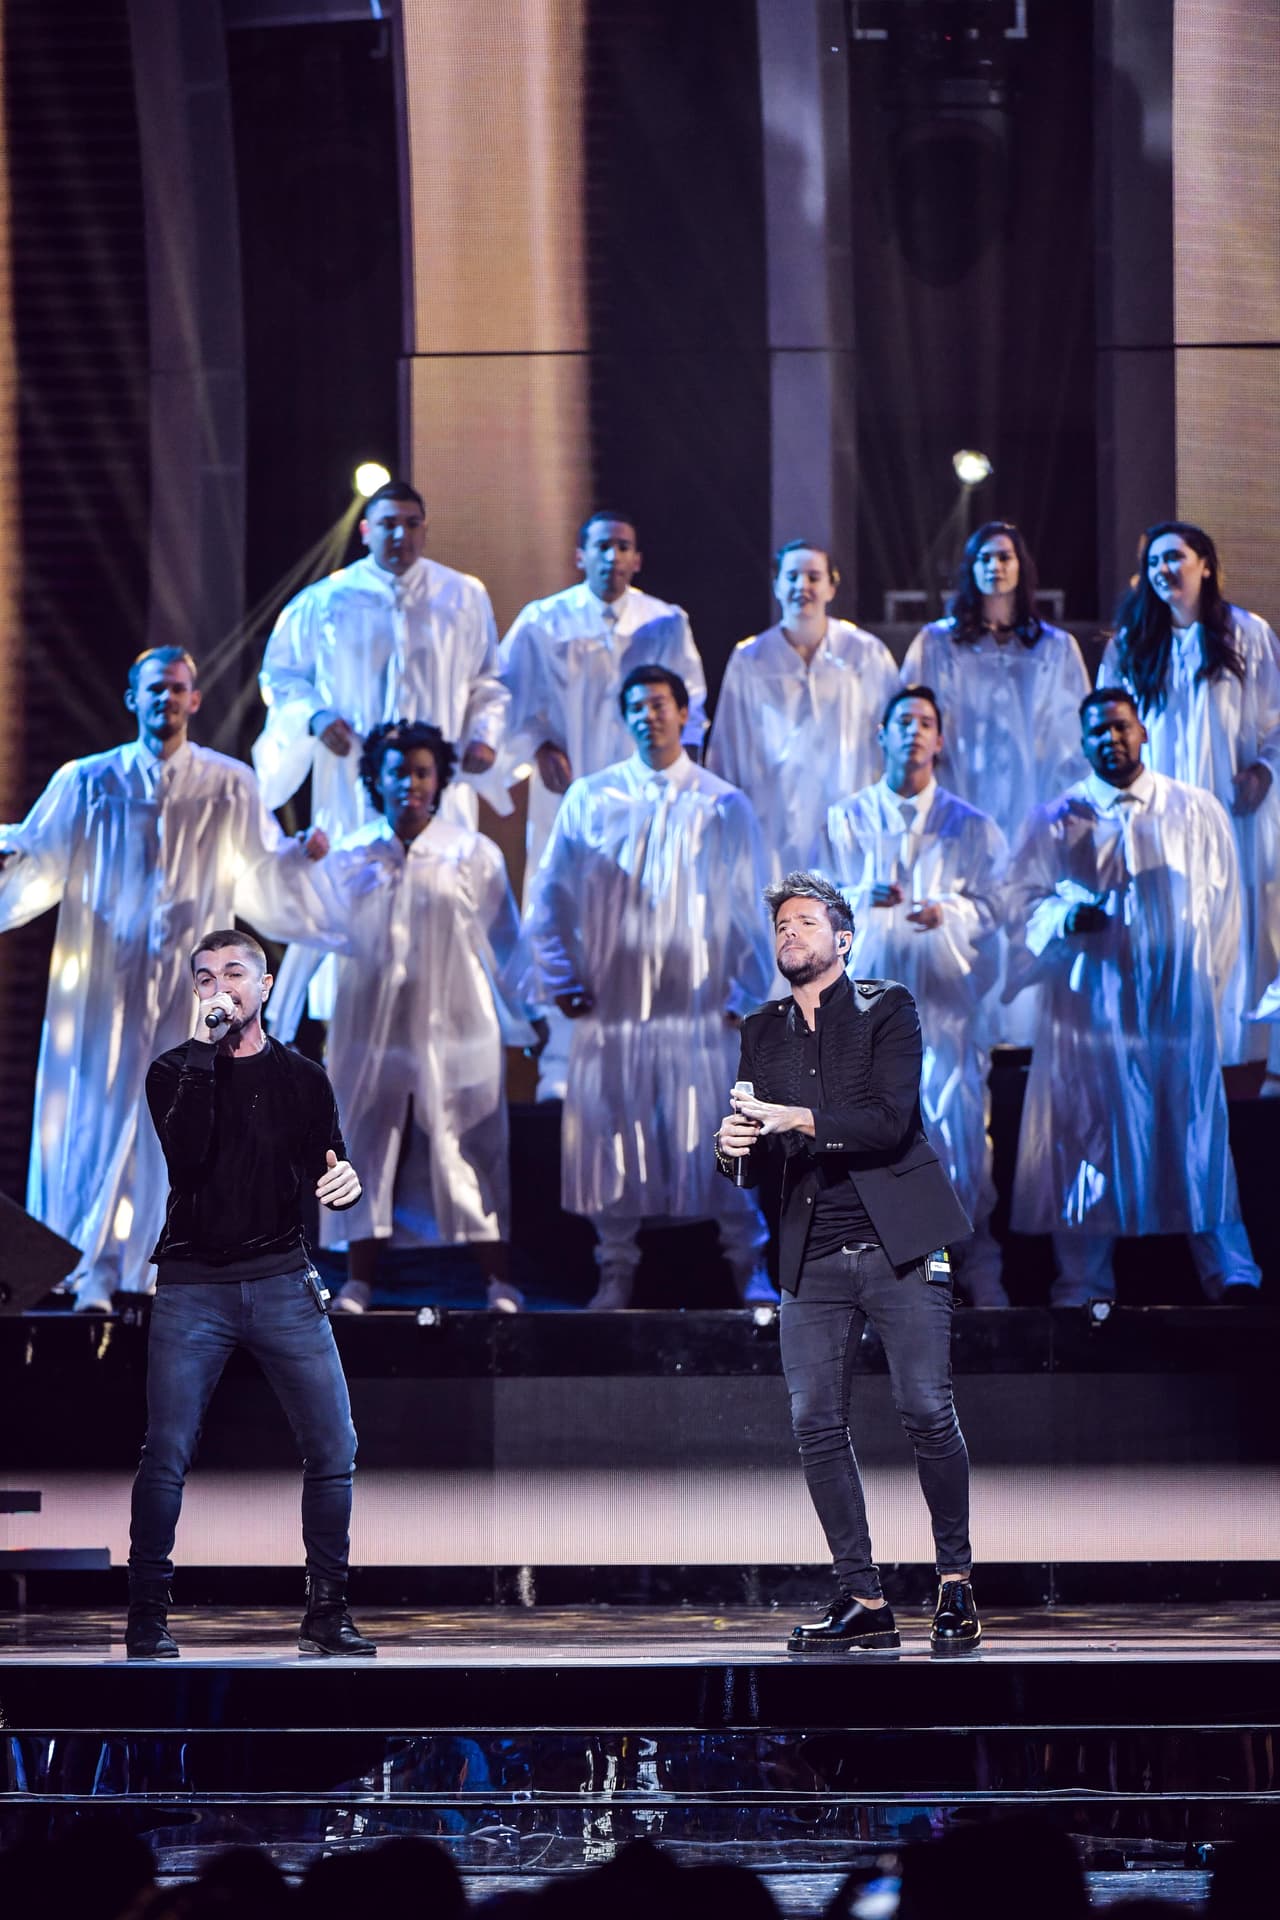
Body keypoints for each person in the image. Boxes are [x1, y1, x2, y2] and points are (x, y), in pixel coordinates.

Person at [0, 647, 330, 1311]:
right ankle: (89, 1264)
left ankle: (161, 1268)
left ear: (194, 700)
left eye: (177, 689)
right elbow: (37, 857)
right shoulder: (89, 780)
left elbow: (262, 872)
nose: (166, 700)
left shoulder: (229, 784)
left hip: (186, 987)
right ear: (133, 698)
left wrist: (302, 860)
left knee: (175, 1118)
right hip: (101, 983)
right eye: (154, 689)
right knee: (95, 1114)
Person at [715, 871, 978, 1655]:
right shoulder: (761, 1031)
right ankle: (861, 1596)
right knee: (813, 1423)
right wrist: (733, 1152)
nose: (790, 933)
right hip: (814, 1251)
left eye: (805, 921)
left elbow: (890, 1122)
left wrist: (795, 1116)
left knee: (928, 1409)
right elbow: (758, 1157)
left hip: (900, 1239)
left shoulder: (887, 1007)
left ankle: (956, 1582)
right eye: (781, 926)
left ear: (843, 937)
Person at [128, 927, 374, 1660]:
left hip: (281, 1281)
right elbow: (188, 1153)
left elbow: (328, 1164)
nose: (219, 987)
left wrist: (346, 1184)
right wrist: (206, 1049)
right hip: (193, 1288)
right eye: (204, 978)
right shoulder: (174, 1072)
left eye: (234, 974)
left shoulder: (304, 1076)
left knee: (334, 1445)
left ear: (264, 987)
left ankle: (327, 1613)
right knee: (166, 1451)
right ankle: (147, 1616)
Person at [527, 664, 775, 1309]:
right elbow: (550, 894)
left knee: (726, 1139)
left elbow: (752, 905)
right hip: (616, 1012)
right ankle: (615, 1269)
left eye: (660, 704)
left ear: (685, 712)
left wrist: (747, 994)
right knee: (612, 1140)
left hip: (699, 1012)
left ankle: (749, 1265)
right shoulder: (592, 798)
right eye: (636, 706)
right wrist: (562, 976)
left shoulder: (722, 803)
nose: (649, 716)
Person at [1004, 688, 1261, 1305]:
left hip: (1176, 1004)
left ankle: (1230, 1274)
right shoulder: (1056, 817)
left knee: (1193, 1128)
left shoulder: (1194, 810)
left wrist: (1210, 994)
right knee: (1087, 1135)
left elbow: (1226, 910)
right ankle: (1082, 1283)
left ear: (1141, 731)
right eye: (1095, 731)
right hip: (1093, 1005)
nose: (1108, 740)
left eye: (1118, 727)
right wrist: (1064, 916)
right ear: (1082, 739)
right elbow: (1018, 902)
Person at [268, 720, 533, 1315]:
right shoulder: (351, 855)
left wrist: (526, 1019)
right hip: (370, 1027)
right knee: (361, 1142)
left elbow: (507, 942)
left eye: (421, 772)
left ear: (439, 780)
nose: (409, 783)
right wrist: (282, 1019)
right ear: (376, 779)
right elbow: (311, 936)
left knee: (469, 1140)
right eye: (397, 772)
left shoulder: (471, 853)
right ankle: (360, 1281)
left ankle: (498, 1281)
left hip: (457, 1024)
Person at [500, 510, 707, 1098]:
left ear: (637, 559)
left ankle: (647, 1046)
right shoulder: (544, 621)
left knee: (647, 905)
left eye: (624, 547)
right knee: (562, 903)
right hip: (568, 792)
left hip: (643, 798)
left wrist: (675, 779)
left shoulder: (663, 621)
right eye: (602, 546)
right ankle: (562, 1058)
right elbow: (506, 694)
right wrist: (536, 743)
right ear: (580, 555)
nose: (613, 557)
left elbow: (691, 703)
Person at [826, 686, 1009, 1305]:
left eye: (925, 722)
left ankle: (977, 1260)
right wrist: (857, 898)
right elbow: (815, 909)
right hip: (873, 1024)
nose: (913, 731)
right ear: (881, 733)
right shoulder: (846, 818)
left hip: (946, 1012)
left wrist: (949, 910)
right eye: (902, 720)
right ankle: (889, 1281)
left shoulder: (971, 825)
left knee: (957, 1134)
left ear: (940, 739)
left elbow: (996, 907)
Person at [1101, 521, 1280, 1064]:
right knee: (1168, 934)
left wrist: (1263, 773)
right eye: (1154, 562)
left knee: (1245, 935)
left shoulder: (1246, 634)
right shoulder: (1133, 647)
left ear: (1205, 564)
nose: (1164, 570)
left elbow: (1275, 723)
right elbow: (1106, 723)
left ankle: (1247, 1064)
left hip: (1235, 816)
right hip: (1160, 824)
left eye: (1175, 557)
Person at [253, 479, 509, 842]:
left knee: (440, 877)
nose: (400, 534)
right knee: (354, 874)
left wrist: (485, 735)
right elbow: (281, 675)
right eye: (388, 524)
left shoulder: (462, 597)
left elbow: (487, 680)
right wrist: (316, 716)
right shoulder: (326, 601)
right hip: (353, 771)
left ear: (425, 530)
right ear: (365, 531)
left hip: (437, 772)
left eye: (411, 523)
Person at [707, 540, 898, 884]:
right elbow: (727, 749)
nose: (802, 587)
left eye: (813, 577)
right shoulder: (751, 659)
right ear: (777, 585)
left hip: (849, 813)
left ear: (831, 586)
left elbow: (892, 741)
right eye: (792, 577)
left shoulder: (864, 654)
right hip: (773, 821)